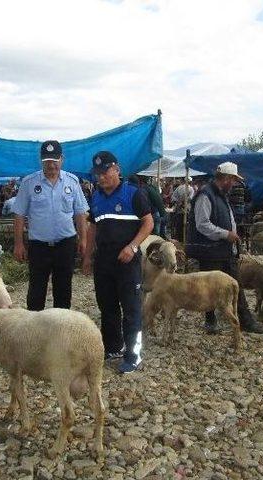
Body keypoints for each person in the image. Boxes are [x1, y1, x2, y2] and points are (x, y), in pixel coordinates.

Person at [82, 151, 153, 374]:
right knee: (107, 307)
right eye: (97, 174)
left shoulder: (134, 194)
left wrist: (132, 247)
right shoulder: (96, 197)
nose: (101, 177)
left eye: (105, 172)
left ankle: (133, 355)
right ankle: (113, 347)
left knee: (131, 309)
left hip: (128, 262)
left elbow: (148, 223)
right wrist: (86, 256)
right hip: (104, 261)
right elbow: (93, 226)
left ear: (117, 169)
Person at [186, 162, 263, 334]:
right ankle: (212, 321)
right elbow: (202, 224)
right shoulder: (205, 195)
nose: (235, 184)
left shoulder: (219, 195)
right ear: (227, 179)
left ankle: (243, 321)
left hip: (223, 250)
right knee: (210, 286)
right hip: (210, 250)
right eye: (234, 180)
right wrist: (226, 234)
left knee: (234, 285)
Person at [12, 140, 88, 310]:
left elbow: (80, 213)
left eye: (54, 160)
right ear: (41, 160)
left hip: (65, 244)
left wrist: (83, 239)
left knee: (63, 291)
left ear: (62, 159)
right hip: (39, 246)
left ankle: (59, 331)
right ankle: (35, 332)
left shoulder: (72, 181)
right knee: (36, 292)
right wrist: (18, 244)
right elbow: (19, 215)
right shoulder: (29, 183)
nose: (51, 165)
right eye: (47, 161)